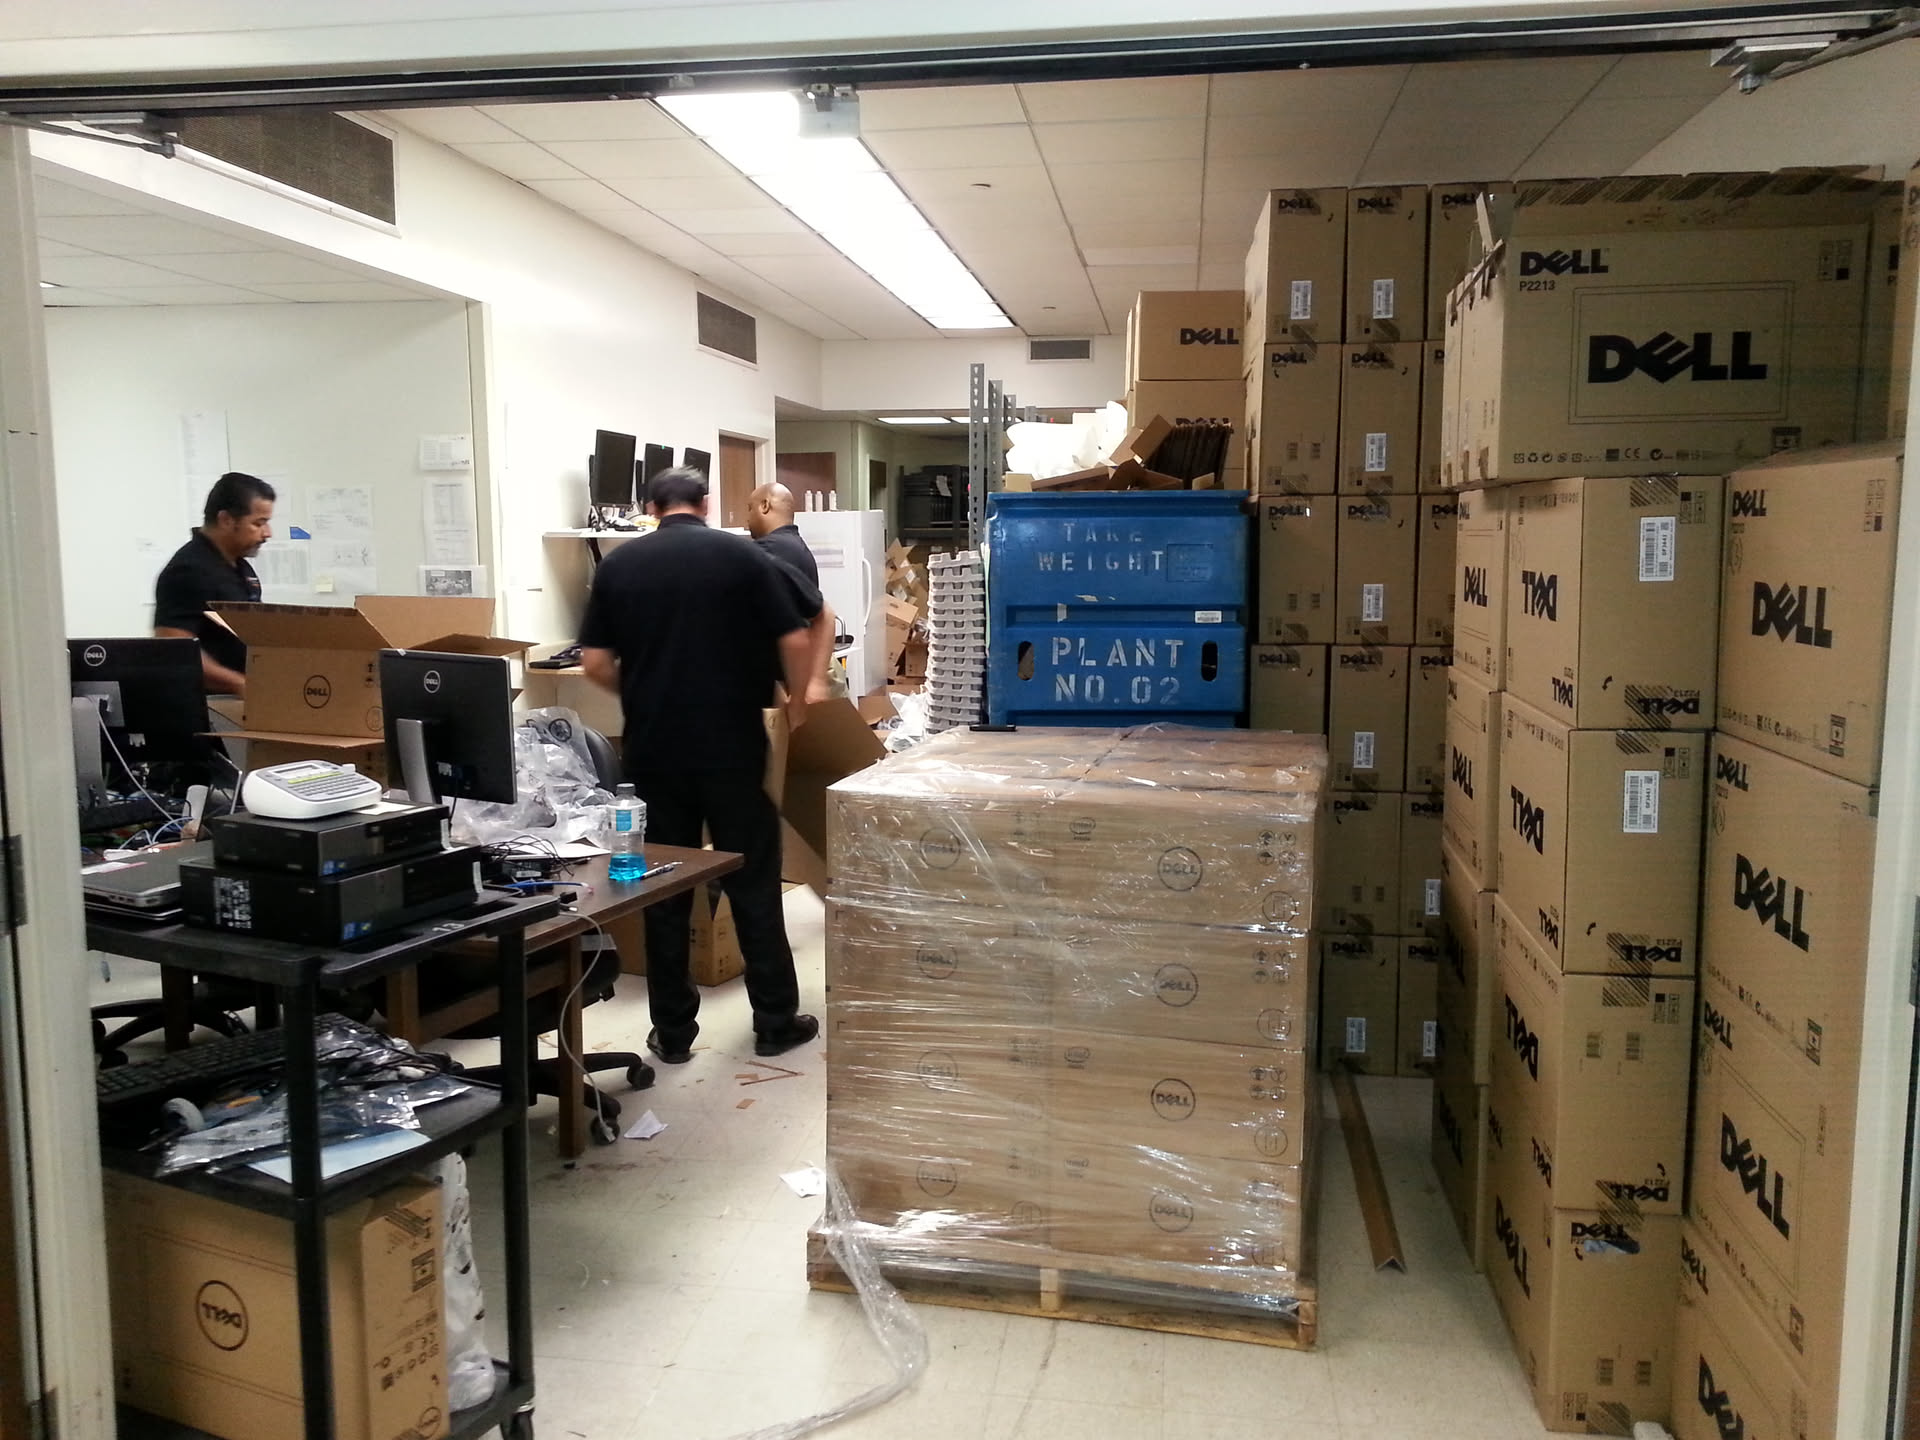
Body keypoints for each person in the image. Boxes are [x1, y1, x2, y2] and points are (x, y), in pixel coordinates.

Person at [578, 466, 823, 1062]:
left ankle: (672, 1033)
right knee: (753, 882)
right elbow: (796, 638)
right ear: (706, 504)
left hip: (654, 752)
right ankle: (774, 1021)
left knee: (663, 890)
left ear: (650, 507)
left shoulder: (618, 566)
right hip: (731, 747)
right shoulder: (743, 558)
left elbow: (594, 663)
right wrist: (795, 700)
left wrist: (642, 692)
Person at [153, 472, 274, 696]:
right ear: (226, 520)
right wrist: (240, 684)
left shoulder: (240, 567)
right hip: (211, 704)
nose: (267, 533)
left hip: (246, 697)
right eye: (258, 523)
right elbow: (175, 648)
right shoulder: (187, 570)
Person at [745, 481, 819, 586]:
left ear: (765, 506)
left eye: (750, 508)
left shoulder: (766, 550)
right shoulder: (802, 551)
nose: (747, 518)